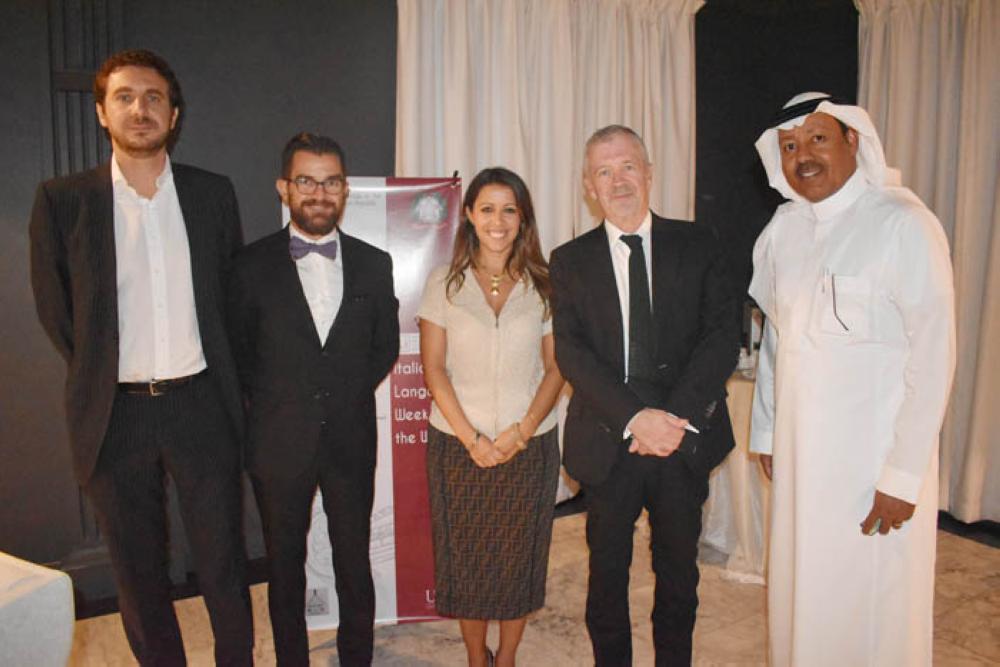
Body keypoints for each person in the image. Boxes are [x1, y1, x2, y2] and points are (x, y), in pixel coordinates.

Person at [28, 49, 252, 665]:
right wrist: (108, 374)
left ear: (173, 113)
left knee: (224, 565)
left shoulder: (212, 195)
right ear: (102, 113)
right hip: (115, 415)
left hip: (202, 406)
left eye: (154, 97)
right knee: (139, 575)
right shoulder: (63, 200)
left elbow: (230, 300)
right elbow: (59, 315)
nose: (140, 109)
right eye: (124, 97)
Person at [749, 92, 956, 666]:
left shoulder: (903, 224)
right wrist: (766, 430)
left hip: (871, 472)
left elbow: (934, 354)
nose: (803, 156)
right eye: (790, 146)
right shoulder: (783, 231)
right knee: (801, 595)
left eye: (818, 138)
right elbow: (776, 344)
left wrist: (904, 474)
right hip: (801, 466)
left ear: (853, 143)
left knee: (872, 608)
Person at [549, 125, 739, 666]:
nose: (618, 180)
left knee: (679, 575)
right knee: (606, 579)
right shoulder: (569, 260)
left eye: (628, 166)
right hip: (611, 442)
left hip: (682, 441)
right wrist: (637, 419)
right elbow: (572, 354)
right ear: (589, 186)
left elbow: (721, 335)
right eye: (604, 172)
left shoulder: (698, 244)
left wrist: (671, 420)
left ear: (650, 173)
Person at [226, 132, 399, 666]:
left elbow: (383, 348)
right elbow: (239, 353)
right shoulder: (248, 265)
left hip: (350, 438)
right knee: (283, 567)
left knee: (354, 563)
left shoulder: (376, 262)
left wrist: (338, 395)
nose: (319, 193)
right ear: (284, 188)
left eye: (330, 182)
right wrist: (290, 399)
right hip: (279, 442)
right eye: (306, 181)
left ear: (344, 191)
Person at [417, 167, 564, 667]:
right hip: (458, 447)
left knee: (519, 562)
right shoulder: (444, 282)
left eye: (508, 209)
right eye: (487, 209)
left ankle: (508, 657)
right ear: (469, 216)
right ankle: (477, 657)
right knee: (468, 565)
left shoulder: (546, 283)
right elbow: (434, 370)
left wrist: (520, 435)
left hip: (531, 444)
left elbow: (556, 368)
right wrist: (472, 438)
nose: (497, 221)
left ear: (522, 218)